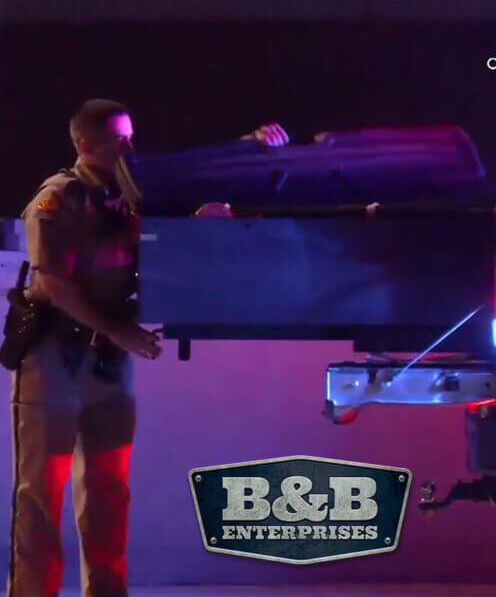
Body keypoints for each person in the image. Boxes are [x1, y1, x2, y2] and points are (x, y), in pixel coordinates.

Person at [6, 98, 289, 597]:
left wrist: (246, 152)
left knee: (108, 490)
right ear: (84, 144)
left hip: (108, 359)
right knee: (41, 496)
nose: (128, 148)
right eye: (117, 138)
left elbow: (175, 222)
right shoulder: (59, 198)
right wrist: (119, 332)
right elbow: (54, 283)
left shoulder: (134, 196)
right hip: (55, 356)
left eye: (130, 136)